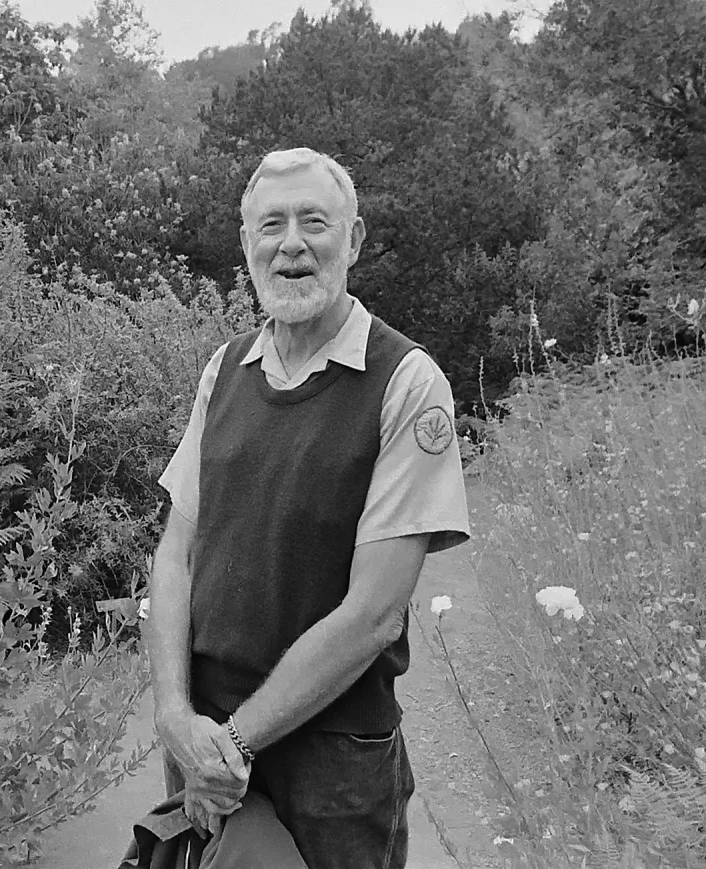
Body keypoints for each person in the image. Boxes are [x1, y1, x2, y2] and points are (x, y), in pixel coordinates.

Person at [144, 147, 471, 869]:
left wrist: (234, 743)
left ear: (353, 240)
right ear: (247, 244)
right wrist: (174, 718)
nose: (291, 243)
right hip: (202, 746)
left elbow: (374, 613)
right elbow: (176, 554)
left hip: (333, 763)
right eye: (272, 225)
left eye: (314, 222)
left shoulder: (405, 382)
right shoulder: (225, 369)